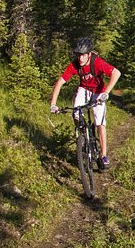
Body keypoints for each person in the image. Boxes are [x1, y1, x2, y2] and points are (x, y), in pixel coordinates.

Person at [50, 37, 121, 169]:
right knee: (76, 112)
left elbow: (116, 73)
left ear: (89, 54)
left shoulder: (97, 62)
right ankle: (82, 136)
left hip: (98, 91)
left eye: (83, 55)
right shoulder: (75, 65)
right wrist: (53, 104)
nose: (80, 58)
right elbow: (59, 83)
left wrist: (106, 92)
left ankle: (103, 155)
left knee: (100, 122)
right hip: (84, 89)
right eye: (78, 55)